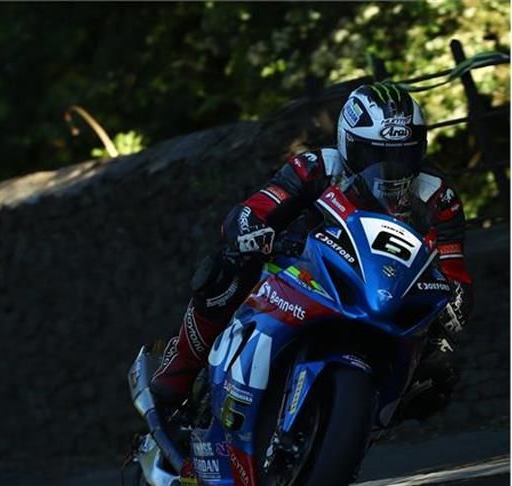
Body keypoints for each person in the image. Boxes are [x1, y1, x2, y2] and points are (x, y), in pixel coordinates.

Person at [150, 82, 473, 421]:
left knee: (441, 369)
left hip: (385, 292)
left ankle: (360, 420)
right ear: (348, 143)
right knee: (225, 273)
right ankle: (178, 370)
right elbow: (255, 208)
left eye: (402, 154)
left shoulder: (438, 195)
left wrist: (455, 303)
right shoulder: (317, 166)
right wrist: (251, 232)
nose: (390, 166)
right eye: (374, 154)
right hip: (303, 268)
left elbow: (453, 268)